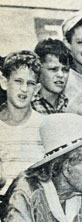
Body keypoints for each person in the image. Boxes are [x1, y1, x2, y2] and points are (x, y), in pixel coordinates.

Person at [0, 51, 44, 196]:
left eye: (30, 83)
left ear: (37, 89)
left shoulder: (44, 126)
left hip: (35, 208)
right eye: (18, 81)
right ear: (4, 82)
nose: (24, 89)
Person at [32, 39, 71, 114]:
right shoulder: (28, 105)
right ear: (38, 70)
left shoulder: (70, 105)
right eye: (53, 69)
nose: (61, 75)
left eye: (65, 70)